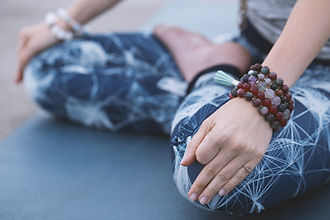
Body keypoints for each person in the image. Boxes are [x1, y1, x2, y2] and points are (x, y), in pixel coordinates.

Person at [16, 0, 330, 215]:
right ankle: (216, 82)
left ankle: (212, 69)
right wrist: (64, 22)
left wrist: (258, 97)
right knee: (48, 71)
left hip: (318, 78)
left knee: (208, 178)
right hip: (257, 49)